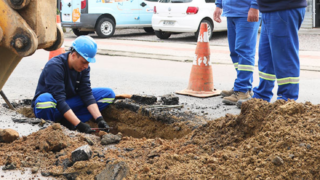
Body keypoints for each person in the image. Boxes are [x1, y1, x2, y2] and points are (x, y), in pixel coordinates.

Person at [31, 36, 115, 133]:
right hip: (52, 107)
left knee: (108, 95)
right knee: (44, 100)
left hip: (68, 103)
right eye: (84, 62)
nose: (86, 66)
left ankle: (67, 122)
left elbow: (86, 93)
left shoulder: (84, 68)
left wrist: (99, 119)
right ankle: (50, 128)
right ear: (74, 55)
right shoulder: (55, 66)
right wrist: (79, 125)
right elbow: (59, 100)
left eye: (88, 63)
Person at [237, 0, 307, 108]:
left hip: (283, 8)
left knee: (285, 58)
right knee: (266, 58)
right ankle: (262, 96)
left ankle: (287, 101)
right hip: (270, 9)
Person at [214, 0, 260, 105]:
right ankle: (242, 86)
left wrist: (255, 6)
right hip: (231, 11)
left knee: (244, 52)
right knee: (235, 52)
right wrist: (219, 5)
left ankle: (242, 90)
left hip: (246, 10)